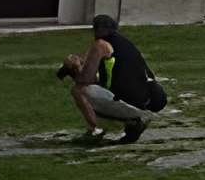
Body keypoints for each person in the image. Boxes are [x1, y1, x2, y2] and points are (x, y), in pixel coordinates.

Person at [60, 12, 164, 144]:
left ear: (97, 29)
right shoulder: (124, 43)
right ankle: (132, 123)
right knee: (106, 90)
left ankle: (96, 130)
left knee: (78, 90)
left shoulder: (100, 45)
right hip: (147, 100)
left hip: (132, 105)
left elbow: (85, 79)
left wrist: (72, 67)